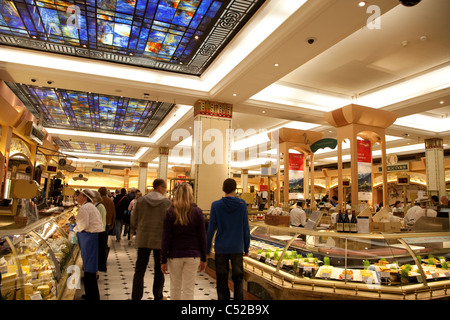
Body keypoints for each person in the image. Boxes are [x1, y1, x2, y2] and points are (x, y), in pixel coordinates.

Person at [160, 183, 206, 300]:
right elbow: (202, 237)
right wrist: (204, 258)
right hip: (193, 255)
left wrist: (163, 259)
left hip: (175, 254)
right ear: (191, 195)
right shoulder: (197, 212)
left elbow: (166, 238)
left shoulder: (170, 212)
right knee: (188, 289)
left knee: (175, 287)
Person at [206, 178, 250, 300]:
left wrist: (207, 248)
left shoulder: (216, 205)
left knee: (221, 278)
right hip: (237, 247)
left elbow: (211, 228)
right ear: (235, 189)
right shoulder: (242, 205)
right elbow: (245, 228)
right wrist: (246, 247)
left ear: (223, 189)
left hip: (221, 247)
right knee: (238, 278)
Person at [131, 179, 171, 300]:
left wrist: (138, 228)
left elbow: (133, 219)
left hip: (143, 239)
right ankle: (158, 295)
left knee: (140, 270)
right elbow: (170, 223)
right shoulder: (166, 203)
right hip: (160, 240)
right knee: (159, 270)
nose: (165, 191)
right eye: (165, 188)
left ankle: (136, 296)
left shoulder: (141, 201)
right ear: (160, 188)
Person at [73, 189, 104, 300]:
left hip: (89, 238)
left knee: (89, 270)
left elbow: (84, 225)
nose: (77, 197)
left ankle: (92, 296)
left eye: (79, 195)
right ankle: (91, 294)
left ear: (85, 197)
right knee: (90, 269)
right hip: (93, 238)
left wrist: (74, 229)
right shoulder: (91, 206)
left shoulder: (85, 208)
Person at [98, 187, 115, 271]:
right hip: (108, 223)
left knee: (99, 243)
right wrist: (112, 223)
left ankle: (100, 260)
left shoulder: (98, 202)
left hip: (99, 225)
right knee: (105, 241)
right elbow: (113, 212)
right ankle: (103, 259)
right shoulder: (110, 201)